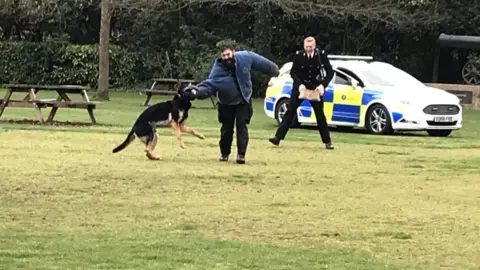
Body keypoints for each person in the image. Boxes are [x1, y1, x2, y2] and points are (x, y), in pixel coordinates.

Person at [190, 43, 280, 164]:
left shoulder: (245, 57)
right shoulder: (218, 69)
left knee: (241, 127)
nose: (226, 57)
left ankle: (241, 155)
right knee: (226, 129)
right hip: (225, 103)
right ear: (220, 56)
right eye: (224, 55)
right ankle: (224, 153)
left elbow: (262, 63)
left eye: (228, 54)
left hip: (243, 99)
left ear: (233, 52)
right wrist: (196, 92)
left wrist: (275, 71)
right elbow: (208, 86)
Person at [268, 36, 335, 150]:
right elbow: (293, 72)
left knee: (320, 115)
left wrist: (322, 85)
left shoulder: (321, 55)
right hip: (300, 87)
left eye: (311, 47)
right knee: (290, 112)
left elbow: (330, 73)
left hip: (314, 88)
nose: (309, 49)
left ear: (315, 46)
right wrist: (300, 85)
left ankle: (327, 142)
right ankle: (277, 138)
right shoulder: (299, 55)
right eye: (307, 47)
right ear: (304, 46)